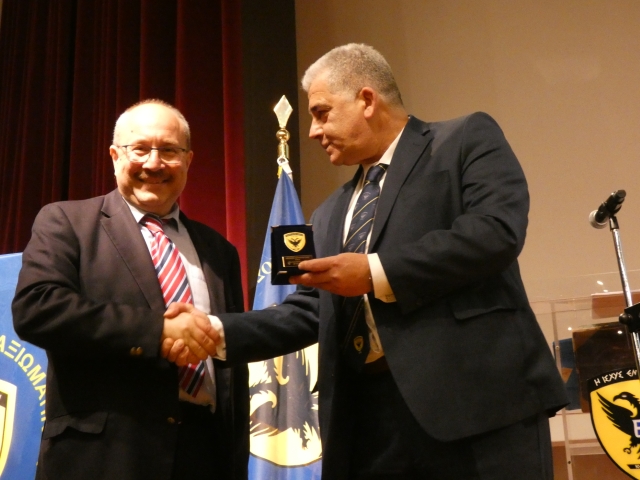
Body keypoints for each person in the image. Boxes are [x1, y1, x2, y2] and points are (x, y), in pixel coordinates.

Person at [166, 43, 569, 479]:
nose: (313, 132)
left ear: (367, 100)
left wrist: (375, 272)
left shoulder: (465, 140)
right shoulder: (328, 213)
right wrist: (215, 331)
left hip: (478, 412)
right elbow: (310, 311)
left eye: (321, 113)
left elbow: (494, 232)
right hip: (367, 428)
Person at [12, 99, 249, 480]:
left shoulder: (220, 251)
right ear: (114, 156)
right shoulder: (66, 221)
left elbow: (229, 367)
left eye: (169, 150)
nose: (154, 163)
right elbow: (38, 309)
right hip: (103, 459)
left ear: (188, 160)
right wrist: (158, 331)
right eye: (140, 149)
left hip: (205, 456)